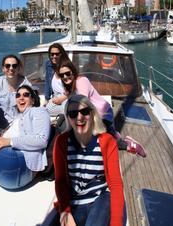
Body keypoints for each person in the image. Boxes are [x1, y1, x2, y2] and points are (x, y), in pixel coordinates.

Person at [43, 95, 125, 226]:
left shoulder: (107, 141)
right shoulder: (62, 142)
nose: (79, 117)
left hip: (101, 198)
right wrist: (65, 211)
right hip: (75, 201)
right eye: (73, 113)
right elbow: (61, 181)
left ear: (92, 114)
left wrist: (116, 223)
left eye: (84, 111)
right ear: (68, 118)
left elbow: (115, 185)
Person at [57, 59, 146, 157]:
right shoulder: (70, 86)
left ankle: (129, 145)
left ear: (73, 72)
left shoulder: (81, 81)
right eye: (62, 75)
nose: (65, 77)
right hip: (92, 114)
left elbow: (81, 104)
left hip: (103, 114)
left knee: (100, 143)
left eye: (67, 73)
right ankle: (113, 133)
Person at [44, 43, 70, 115]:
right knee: (46, 108)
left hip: (67, 96)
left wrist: (63, 98)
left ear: (61, 54)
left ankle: (69, 111)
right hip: (56, 97)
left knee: (49, 109)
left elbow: (74, 87)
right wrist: (46, 99)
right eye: (52, 54)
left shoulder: (67, 66)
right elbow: (47, 82)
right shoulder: (49, 65)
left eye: (57, 54)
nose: (54, 56)